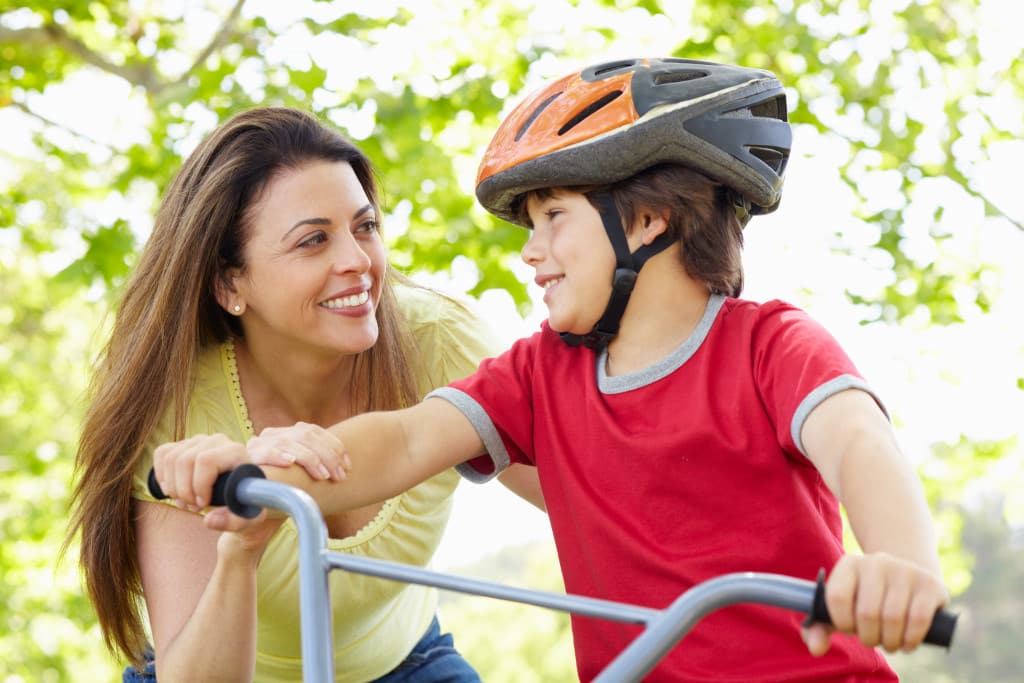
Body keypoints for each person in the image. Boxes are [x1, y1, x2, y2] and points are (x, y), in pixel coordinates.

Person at [152, 59, 950, 681]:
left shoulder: (771, 346)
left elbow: (859, 446)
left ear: (646, 218)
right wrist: (256, 471)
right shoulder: (539, 375)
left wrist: (900, 568)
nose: (531, 251)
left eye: (554, 218)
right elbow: (399, 443)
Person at [65, 106, 542, 682]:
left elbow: (582, 497)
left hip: (406, 661)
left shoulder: (439, 341)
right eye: (313, 241)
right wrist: (242, 549)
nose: (358, 262)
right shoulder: (180, 409)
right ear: (229, 282)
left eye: (364, 227)